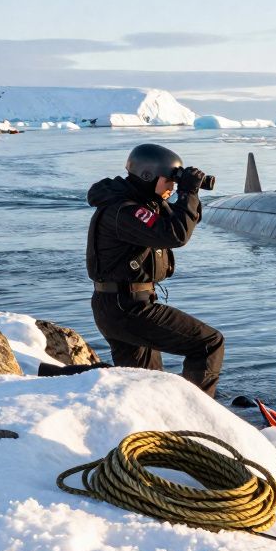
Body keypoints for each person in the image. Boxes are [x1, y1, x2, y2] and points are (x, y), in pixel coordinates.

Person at [86, 144, 223, 396]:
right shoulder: (125, 210)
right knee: (208, 343)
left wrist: (188, 192)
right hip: (128, 307)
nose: (172, 186)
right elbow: (176, 234)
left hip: (120, 304)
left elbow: (185, 220)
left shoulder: (139, 202)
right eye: (169, 179)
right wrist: (188, 190)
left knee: (145, 385)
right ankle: (197, 415)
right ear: (148, 175)